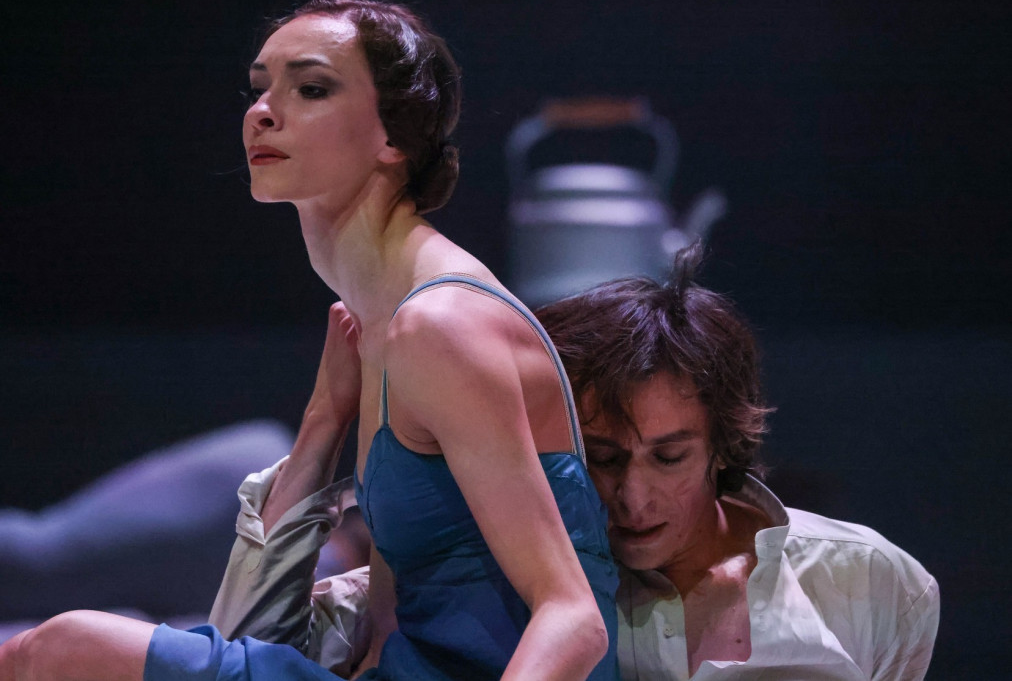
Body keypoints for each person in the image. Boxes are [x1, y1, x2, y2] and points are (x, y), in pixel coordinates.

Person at [0, 0, 618, 681]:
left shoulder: (439, 324)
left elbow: (573, 616)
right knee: (26, 656)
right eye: (260, 88)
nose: (263, 111)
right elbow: (317, 630)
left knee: (55, 651)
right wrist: (323, 419)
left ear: (394, 136)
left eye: (311, 89)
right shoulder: (382, 319)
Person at [215, 243, 939, 680]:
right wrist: (324, 422)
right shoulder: (499, 585)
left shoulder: (873, 582)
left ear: (722, 445)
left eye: (669, 456)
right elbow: (240, 653)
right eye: (603, 458)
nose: (632, 496)